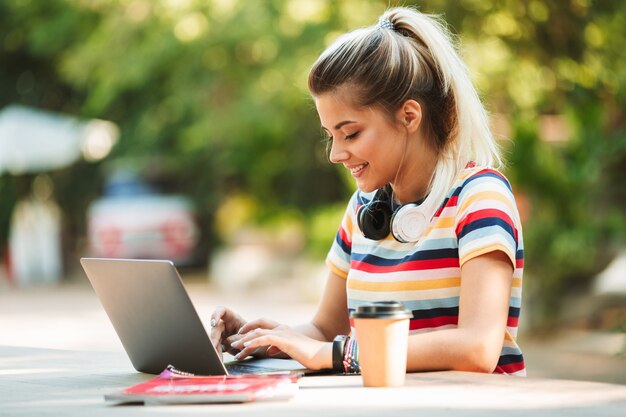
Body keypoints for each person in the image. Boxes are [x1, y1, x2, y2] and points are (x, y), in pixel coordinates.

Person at [210, 6, 525, 376]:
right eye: (330, 136)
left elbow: (477, 347)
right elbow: (326, 332)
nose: (335, 154)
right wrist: (265, 339)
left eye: (351, 133)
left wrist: (337, 354)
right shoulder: (363, 209)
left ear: (409, 116)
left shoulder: (479, 197)